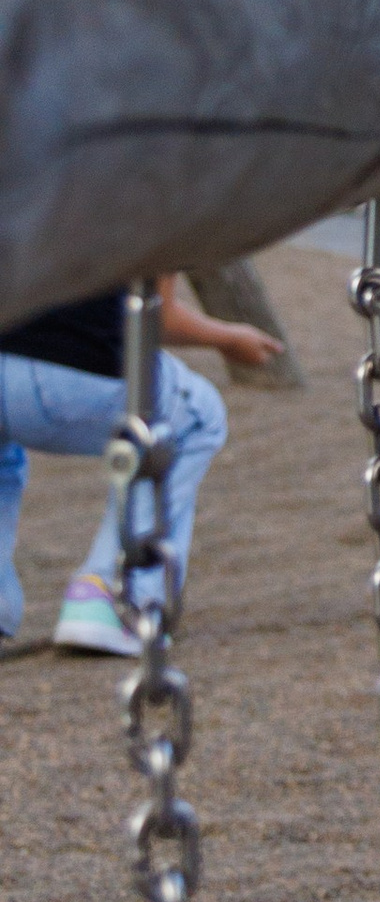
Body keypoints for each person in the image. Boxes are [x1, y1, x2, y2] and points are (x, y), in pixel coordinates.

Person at [0, 281, 275, 657]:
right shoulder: (134, 216)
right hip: (74, 371)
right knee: (196, 415)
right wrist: (228, 338)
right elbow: (156, 315)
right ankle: (114, 595)